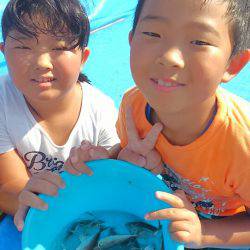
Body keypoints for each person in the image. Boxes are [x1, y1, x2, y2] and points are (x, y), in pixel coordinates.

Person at [115, 0, 250, 248]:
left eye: (199, 41)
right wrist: (110, 156)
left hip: (226, 229)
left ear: (233, 64)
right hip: (168, 215)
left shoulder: (243, 143)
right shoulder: (132, 104)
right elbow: (128, 155)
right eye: (153, 33)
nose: (169, 58)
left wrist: (203, 233)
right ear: (132, 40)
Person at [0, 0, 120, 230]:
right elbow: (8, 185)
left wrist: (103, 164)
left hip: (85, 210)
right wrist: (26, 197)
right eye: (24, 47)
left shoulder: (101, 111)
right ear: (4, 52)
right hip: (38, 215)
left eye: (59, 48)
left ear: (83, 58)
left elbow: (116, 179)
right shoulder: (2, 102)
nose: (42, 63)